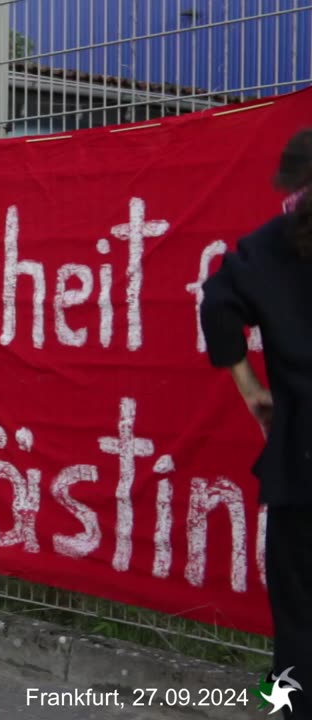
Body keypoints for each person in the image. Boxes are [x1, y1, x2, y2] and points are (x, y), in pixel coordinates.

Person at [201, 129, 312, 720]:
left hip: (300, 455)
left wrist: (253, 393)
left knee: (297, 609)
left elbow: (218, 303)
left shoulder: (270, 246)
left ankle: (283, 702)